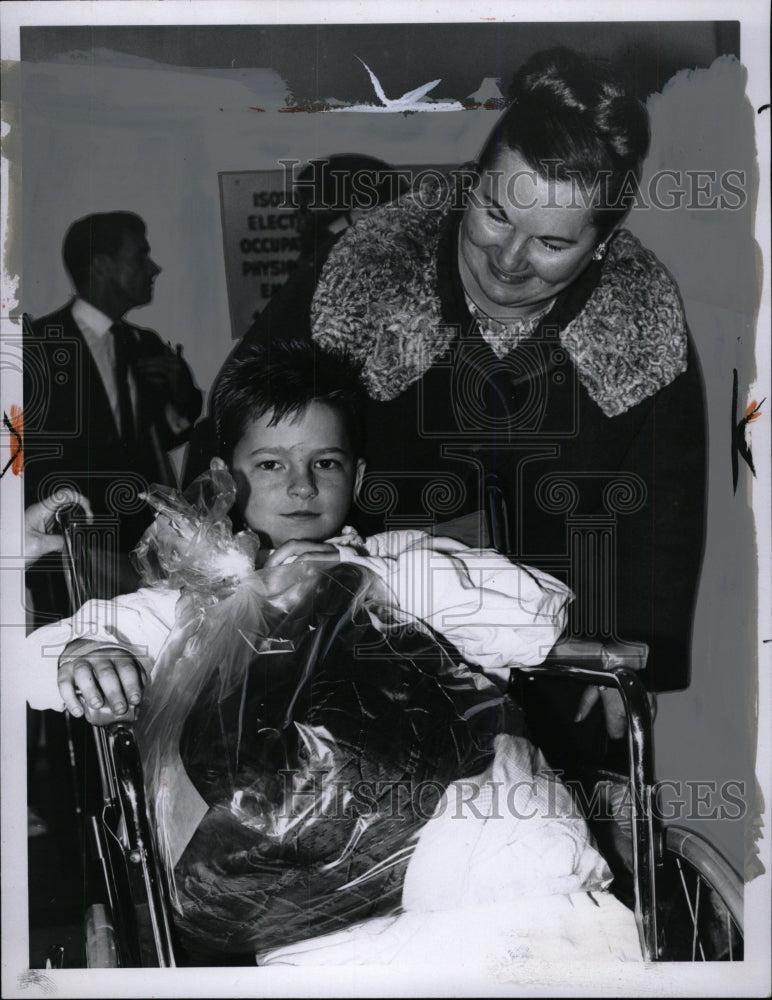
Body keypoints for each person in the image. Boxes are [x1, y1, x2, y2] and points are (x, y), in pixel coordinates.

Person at [219, 47, 706, 773]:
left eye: (550, 242)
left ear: (600, 245)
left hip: (565, 651)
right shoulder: (367, 270)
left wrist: (634, 642)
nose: (508, 259)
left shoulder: (642, 320)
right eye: (495, 214)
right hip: (372, 639)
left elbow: (663, 504)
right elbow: (245, 424)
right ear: (470, 186)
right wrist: (250, 582)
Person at [26, 339, 572, 719]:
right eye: (271, 464)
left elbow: (537, 617)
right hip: (246, 844)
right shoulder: (196, 595)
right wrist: (87, 652)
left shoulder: (400, 557)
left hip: (421, 819)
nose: (303, 486)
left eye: (326, 463)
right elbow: (33, 664)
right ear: (224, 478)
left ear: (358, 478)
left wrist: (362, 579)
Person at [24, 211, 203, 620]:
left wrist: (180, 389)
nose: (153, 268)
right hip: (73, 552)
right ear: (103, 265)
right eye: (140, 257)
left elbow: (173, 431)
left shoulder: (144, 343)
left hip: (143, 546)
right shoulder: (38, 347)